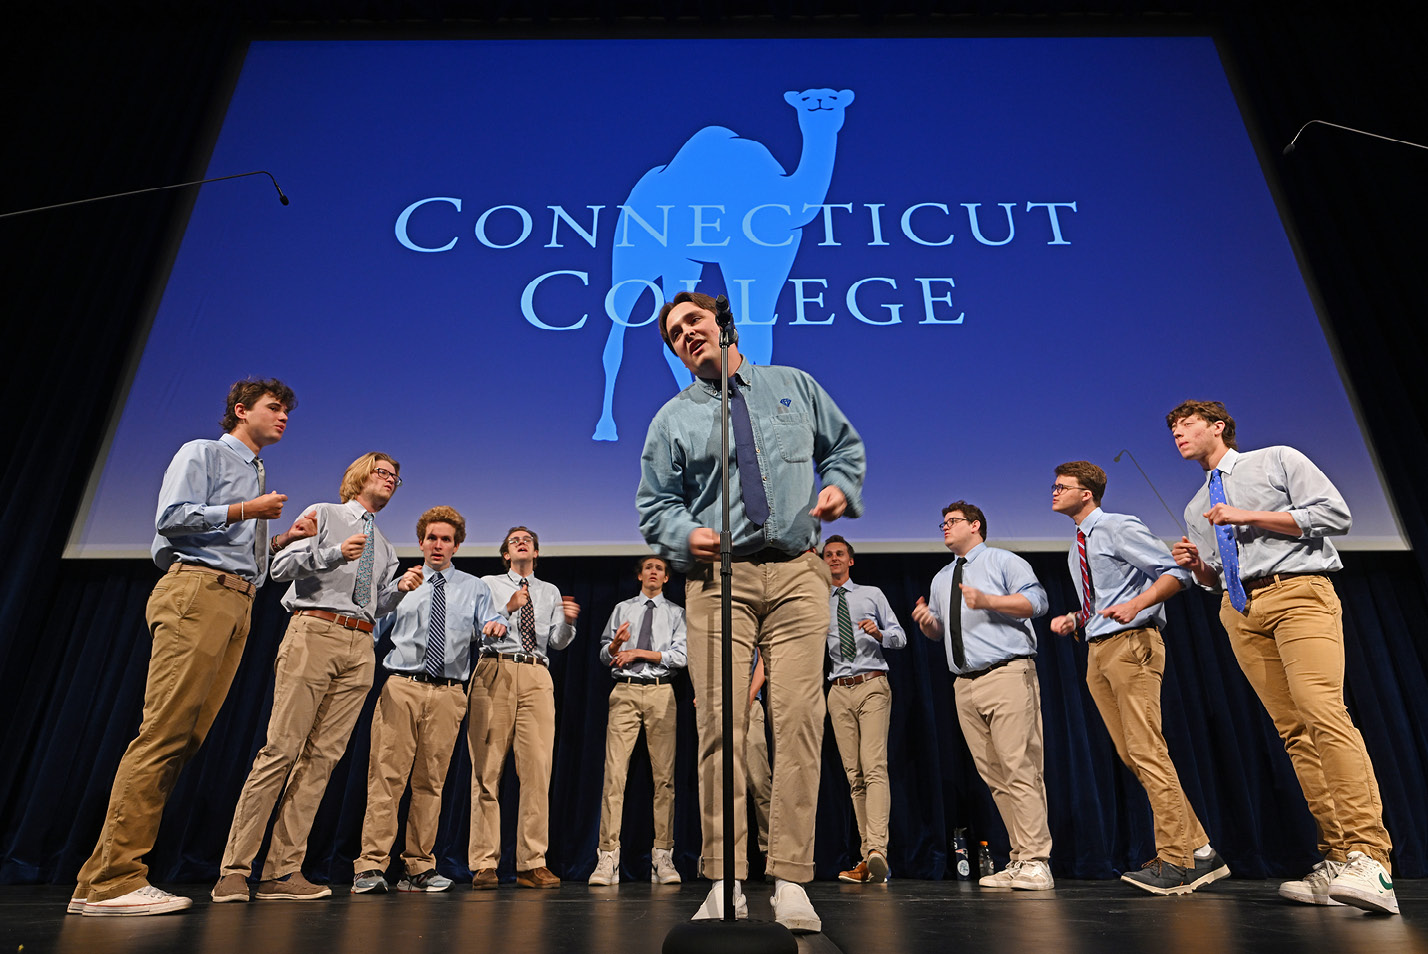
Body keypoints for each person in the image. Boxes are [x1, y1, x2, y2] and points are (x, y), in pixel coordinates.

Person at [636, 290, 866, 933]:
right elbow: (655, 504)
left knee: (797, 722)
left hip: (798, 570)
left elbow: (845, 449)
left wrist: (840, 488)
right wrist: (685, 535)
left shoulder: (792, 385)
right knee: (721, 727)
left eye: (694, 322)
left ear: (722, 323)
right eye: (673, 334)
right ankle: (723, 879)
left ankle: (791, 879)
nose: (685, 335)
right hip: (719, 578)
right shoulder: (672, 418)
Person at [73, 379, 307, 917]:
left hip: (235, 601)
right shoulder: (202, 452)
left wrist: (283, 540)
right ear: (240, 410)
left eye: (287, 412)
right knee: (163, 733)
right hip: (197, 593)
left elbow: (236, 550)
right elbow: (172, 519)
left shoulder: (256, 471)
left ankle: (94, 881)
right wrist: (246, 511)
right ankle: (116, 880)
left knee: (185, 737)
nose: (284, 418)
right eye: (275, 409)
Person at [1167, 400, 1397, 915]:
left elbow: (1336, 516)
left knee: (1323, 713)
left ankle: (1371, 857)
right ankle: (1338, 857)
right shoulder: (1194, 504)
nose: (1178, 434)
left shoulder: (1275, 460)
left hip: (1298, 594)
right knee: (1294, 733)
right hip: (1240, 609)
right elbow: (1218, 575)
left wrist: (1248, 514)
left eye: (1187, 425)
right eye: (1172, 430)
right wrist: (1199, 570)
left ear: (1218, 427)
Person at [213, 452, 421, 902]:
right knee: (281, 750)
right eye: (383, 473)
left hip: (360, 645)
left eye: (395, 479)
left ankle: (280, 873)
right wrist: (330, 552)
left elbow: (375, 605)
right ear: (360, 476)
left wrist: (397, 593)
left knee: (321, 761)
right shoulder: (324, 513)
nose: (390, 481)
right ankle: (234, 869)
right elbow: (279, 569)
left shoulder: (385, 546)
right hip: (315, 631)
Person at [1047, 461, 1228, 895]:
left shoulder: (1116, 527)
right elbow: (1104, 599)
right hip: (1098, 650)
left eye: (1061, 486)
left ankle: (1177, 861)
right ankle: (1201, 850)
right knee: (1132, 755)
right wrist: (1077, 617)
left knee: (1147, 750)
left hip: (1132, 645)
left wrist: (1137, 605)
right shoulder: (1077, 546)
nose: (1053, 492)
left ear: (1086, 493)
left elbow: (1176, 573)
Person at [352, 506, 507, 895]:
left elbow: (490, 632)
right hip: (402, 685)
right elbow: (371, 628)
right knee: (387, 777)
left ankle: (417, 868)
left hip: (449, 693)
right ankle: (370, 865)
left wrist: (493, 627)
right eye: (432, 538)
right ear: (421, 542)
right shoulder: (403, 581)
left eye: (446, 540)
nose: (438, 545)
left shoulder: (475, 587)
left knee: (431, 783)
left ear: (456, 546)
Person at [911, 501, 1053, 891]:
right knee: (995, 776)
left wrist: (989, 600)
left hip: (1006, 674)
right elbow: (942, 632)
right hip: (965, 684)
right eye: (942, 522)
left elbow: (1037, 602)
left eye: (952, 521)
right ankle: (1020, 857)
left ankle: (1038, 860)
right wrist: (929, 625)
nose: (944, 527)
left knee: (1020, 768)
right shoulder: (941, 578)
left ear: (975, 526)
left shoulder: (1002, 562)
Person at [469, 526, 580, 889]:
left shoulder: (549, 591)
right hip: (495, 669)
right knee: (487, 772)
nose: (521, 543)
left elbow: (559, 643)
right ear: (506, 554)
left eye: (527, 541)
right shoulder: (487, 583)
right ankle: (484, 863)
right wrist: (507, 607)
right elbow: (475, 628)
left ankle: (532, 863)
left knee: (536, 771)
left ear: (535, 553)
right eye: (514, 540)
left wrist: (569, 623)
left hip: (536, 674)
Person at [588, 555, 688, 886]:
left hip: (661, 691)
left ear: (666, 578)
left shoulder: (676, 613)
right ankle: (608, 857)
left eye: (660, 568)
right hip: (625, 692)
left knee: (664, 779)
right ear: (640, 576)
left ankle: (662, 856)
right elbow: (605, 654)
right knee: (614, 775)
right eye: (649, 568)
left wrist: (642, 653)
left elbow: (682, 656)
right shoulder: (622, 609)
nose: (654, 572)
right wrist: (615, 646)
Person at [821, 535, 904, 885]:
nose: (834, 559)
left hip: (871, 685)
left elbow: (900, 637)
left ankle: (878, 851)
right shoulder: (815, 601)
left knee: (873, 768)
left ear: (850, 561)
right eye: (828, 555)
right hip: (838, 691)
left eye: (840, 554)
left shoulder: (871, 594)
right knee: (854, 777)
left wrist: (880, 633)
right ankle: (867, 857)